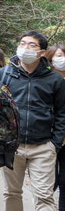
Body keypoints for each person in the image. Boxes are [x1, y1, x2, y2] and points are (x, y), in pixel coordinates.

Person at [0, 32, 65, 211]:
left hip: (43, 147)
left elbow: (61, 113)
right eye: (22, 43)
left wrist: (54, 144)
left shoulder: (54, 80)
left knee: (44, 196)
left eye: (31, 45)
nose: (25, 48)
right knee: (12, 193)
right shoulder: (5, 74)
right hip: (12, 146)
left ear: (42, 52)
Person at [46, 44, 65, 211]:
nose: (61, 59)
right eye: (58, 56)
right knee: (48, 182)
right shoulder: (46, 79)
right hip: (48, 138)